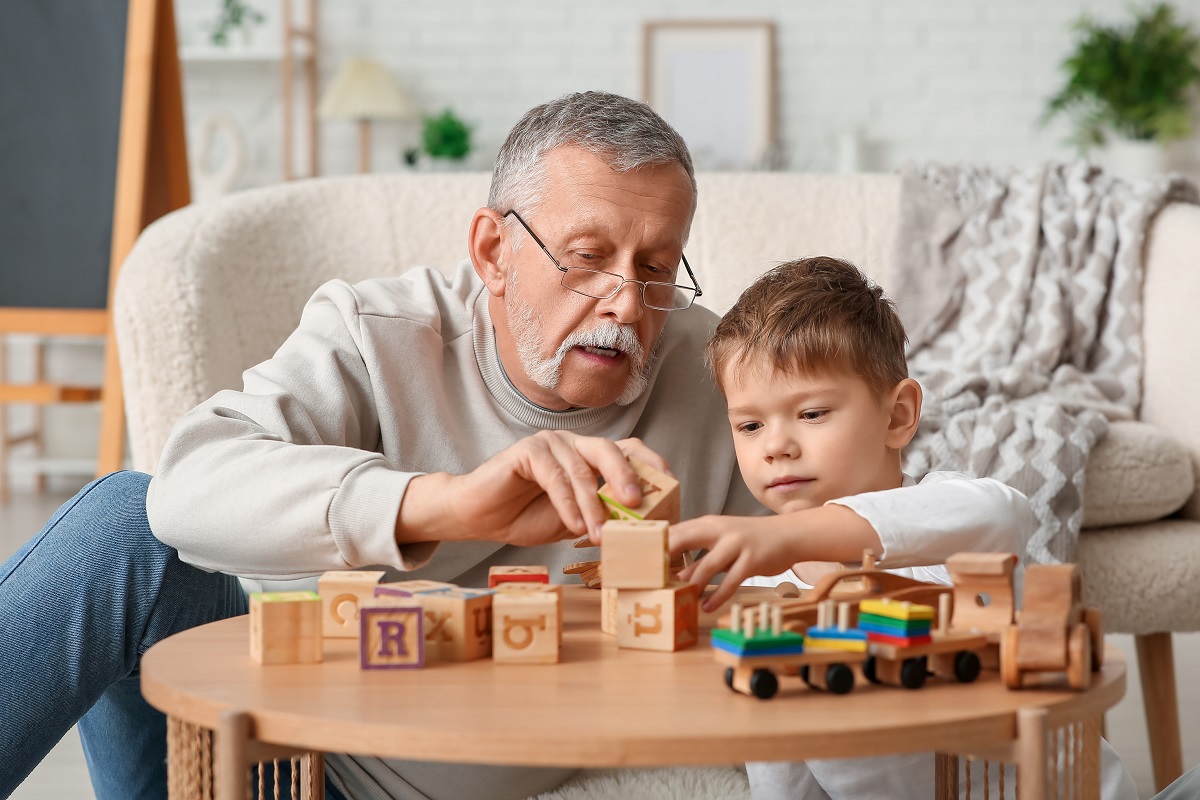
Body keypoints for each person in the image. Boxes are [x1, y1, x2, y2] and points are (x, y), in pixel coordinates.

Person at [0, 91, 763, 800]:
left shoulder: (725, 371)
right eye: (588, 257)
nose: (627, 303)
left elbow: (847, 535)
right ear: (494, 251)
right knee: (126, 524)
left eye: (657, 267)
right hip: (298, 768)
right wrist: (446, 505)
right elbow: (187, 485)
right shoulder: (379, 334)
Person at [667, 256, 1140, 800]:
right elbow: (779, 759)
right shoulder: (760, 598)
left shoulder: (942, 514)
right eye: (750, 425)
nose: (775, 446)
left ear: (897, 417)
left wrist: (785, 536)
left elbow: (1003, 512)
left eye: (812, 413)